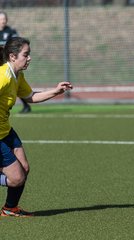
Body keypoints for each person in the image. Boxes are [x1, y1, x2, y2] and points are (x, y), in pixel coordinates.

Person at [0, 37, 73, 217]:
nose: (29, 58)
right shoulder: (3, 76)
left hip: (5, 130)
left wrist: (56, 91)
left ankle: (10, 209)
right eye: (26, 54)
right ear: (13, 56)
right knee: (16, 179)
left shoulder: (17, 75)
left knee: (24, 168)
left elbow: (31, 96)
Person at [0, 11, 31, 113]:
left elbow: (17, 45)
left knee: (15, 86)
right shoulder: (3, 75)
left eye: (4, 19)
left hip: (6, 62)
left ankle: (26, 106)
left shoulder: (10, 31)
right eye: (0, 19)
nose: (2, 21)